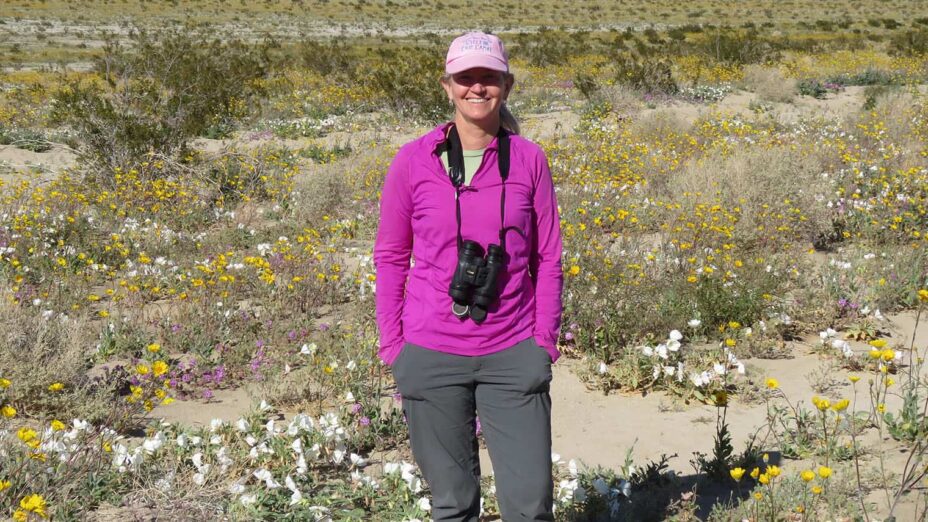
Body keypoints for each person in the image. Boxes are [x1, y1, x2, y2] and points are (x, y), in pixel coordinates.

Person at [374, 31, 563, 521]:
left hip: (512, 352)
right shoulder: (413, 161)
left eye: (488, 77)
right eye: (465, 78)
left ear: (507, 84)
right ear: (447, 85)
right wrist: (394, 347)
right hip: (430, 353)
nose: (476, 88)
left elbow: (548, 258)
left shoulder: (529, 159)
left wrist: (542, 342)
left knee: (530, 506)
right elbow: (391, 256)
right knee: (452, 505)